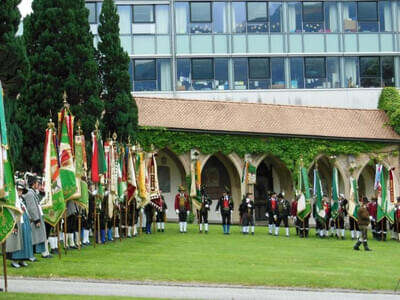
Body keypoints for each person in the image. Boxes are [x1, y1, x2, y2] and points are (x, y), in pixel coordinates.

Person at [24, 174, 51, 259]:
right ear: (33, 184)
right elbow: (32, 208)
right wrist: (36, 219)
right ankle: (30, 255)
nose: (38, 185)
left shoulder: (32, 193)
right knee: (33, 238)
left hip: (38, 217)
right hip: (34, 219)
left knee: (38, 237)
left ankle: (38, 253)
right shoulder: (29, 194)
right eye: (37, 183)